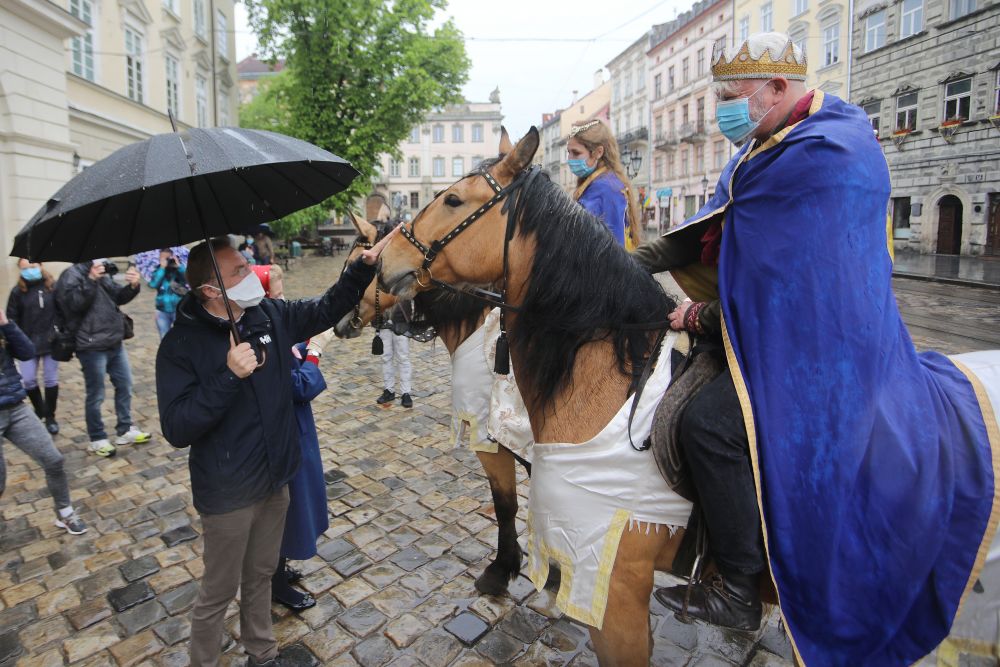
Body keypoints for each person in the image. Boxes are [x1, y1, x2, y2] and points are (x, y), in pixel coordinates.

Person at [638, 32, 997, 666]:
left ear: (779, 89)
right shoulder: (762, 147)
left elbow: (802, 291)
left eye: (731, 97)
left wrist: (701, 313)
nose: (723, 110)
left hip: (830, 350)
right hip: (775, 324)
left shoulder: (834, 152)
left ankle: (740, 591)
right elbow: (713, 232)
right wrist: (626, 263)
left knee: (710, 424)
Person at [156, 231, 392, 667]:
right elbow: (177, 426)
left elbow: (324, 308)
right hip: (227, 493)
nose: (251, 273)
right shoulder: (180, 346)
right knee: (219, 591)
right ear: (211, 290)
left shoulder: (266, 314)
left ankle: (261, 652)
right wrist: (228, 376)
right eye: (239, 270)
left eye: (247, 263)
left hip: (275, 477)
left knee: (262, 574)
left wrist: (359, 269)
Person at [0, 307, 86, 534]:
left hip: (16, 407)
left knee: (53, 460)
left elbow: (26, 352)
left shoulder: (2, 328)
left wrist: (6, 324)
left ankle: (65, 512)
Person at [55, 259, 151, 457]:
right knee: (96, 394)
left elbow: (118, 296)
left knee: (125, 385)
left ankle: (125, 430)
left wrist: (133, 286)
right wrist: (90, 279)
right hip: (90, 346)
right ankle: (97, 438)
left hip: (114, 341)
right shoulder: (70, 275)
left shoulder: (101, 272)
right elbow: (73, 306)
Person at [566, 119, 642, 250]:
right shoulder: (607, 182)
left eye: (576, 153)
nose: (570, 159)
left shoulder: (605, 188)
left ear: (598, 152)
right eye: (569, 152)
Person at [6, 259, 61, 434]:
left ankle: (50, 416)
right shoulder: (17, 292)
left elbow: (62, 310)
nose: (30, 270)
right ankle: (40, 410)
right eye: (25, 268)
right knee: (28, 380)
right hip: (28, 343)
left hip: (51, 340)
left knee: (51, 379)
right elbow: (11, 317)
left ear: (41, 266)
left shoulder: (52, 287)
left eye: (33, 267)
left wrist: (59, 330)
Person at [148, 248, 188, 339]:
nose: (167, 261)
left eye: (168, 258)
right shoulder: (158, 270)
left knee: (180, 336)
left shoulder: (178, 270)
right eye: (163, 258)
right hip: (161, 310)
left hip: (178, 309)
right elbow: (153, 284)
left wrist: (179, 266)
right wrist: (162, 268)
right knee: (164, 337)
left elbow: (187, 280)